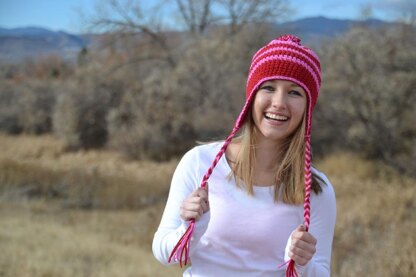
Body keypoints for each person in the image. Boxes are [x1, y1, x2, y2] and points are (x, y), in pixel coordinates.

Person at [152, 34, 336, 277]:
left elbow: (320, 273)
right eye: (269, 88)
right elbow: (166, 255)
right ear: (252, 96)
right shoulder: (199, 163)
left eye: (294, 92)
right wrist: (190, 228)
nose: (279, 103)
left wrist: (302, 264)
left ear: (308, 107)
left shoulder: (315, 190)